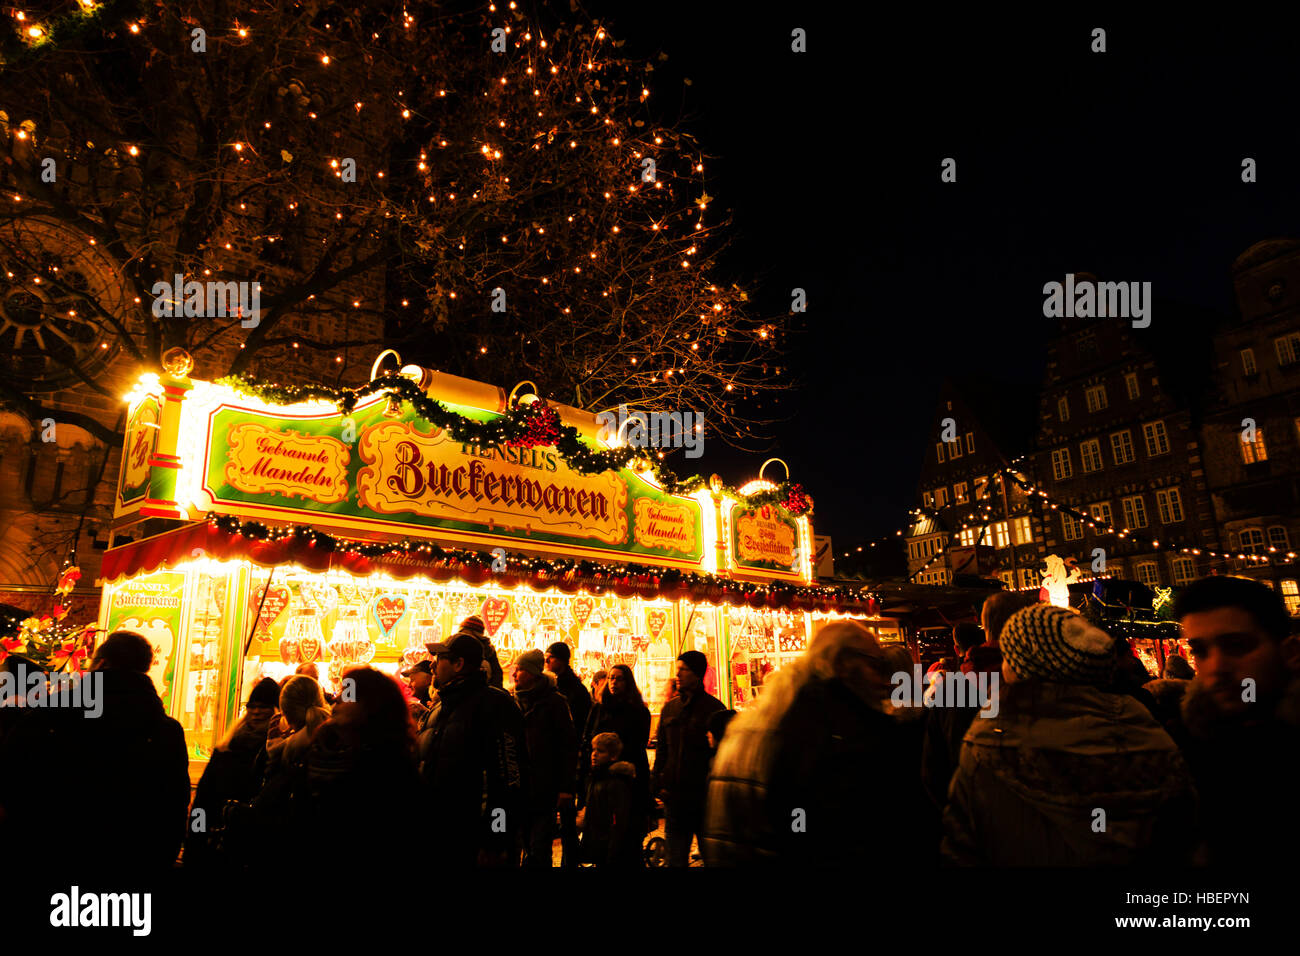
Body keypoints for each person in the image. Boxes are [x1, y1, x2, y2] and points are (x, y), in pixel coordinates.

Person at [941, 604, 1197, 866]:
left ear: (1018, 667)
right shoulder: (1142, 723)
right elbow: (1185, 832)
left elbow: (961, 846)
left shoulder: (988, 741)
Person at [703, 621, 923, 865]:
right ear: (843, 664)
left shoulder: (765, 719)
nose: (884, 680)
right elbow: (805, 821)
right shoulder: (827, 728)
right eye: (876, 665)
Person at [0, 631, 190, 873]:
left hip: (52, 855)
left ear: (101, 663)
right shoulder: (167, 731)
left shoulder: (51, 715)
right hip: (133, 861)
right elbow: (174, 804)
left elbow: (12, 779)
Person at [1169, 576, 1300, 867]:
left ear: (1290, 652)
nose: (1217, 667)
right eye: (1200, 651)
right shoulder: (1187, 747)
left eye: (1237, 646)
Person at [416, 633, 527, 867]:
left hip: (472, 836)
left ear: (458, 664)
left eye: (440, 658)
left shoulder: (494, 704)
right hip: (439, 832)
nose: (433, 665)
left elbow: (506, 780)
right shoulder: (440, 707)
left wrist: (496, 839)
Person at [293, 667, 420, 870]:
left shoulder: (390, 768)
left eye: (349, 693)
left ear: (372, 705)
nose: (338, 700)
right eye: (342, 692)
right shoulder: (318, 748)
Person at [185, 676, 279, 869]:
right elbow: (204, 798)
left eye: (263, 706)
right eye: (252, 706)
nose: (256, 712)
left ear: (275, 710)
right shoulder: (228, 746)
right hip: (215, 841)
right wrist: (196, 838)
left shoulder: (276, 750)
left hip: (249, 846)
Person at [654, 650, 726, 866]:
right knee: (675, 858)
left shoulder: (714, 709)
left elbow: (721, 754)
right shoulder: (670, 708)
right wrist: (658, 781)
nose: (678, 675)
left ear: (697, 673)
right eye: (677, 670)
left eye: (683, 670)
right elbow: (663, 751)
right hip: (675, 797)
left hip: (704, 797)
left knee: (713, 857)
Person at [512, 649, 577, 868]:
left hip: (544, 786)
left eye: (519, 669)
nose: (514, 674)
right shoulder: (514, 702)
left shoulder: (554, 702)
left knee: (539, 847)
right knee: (524, 844)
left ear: (531, 673)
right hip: (519, 788)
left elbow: (567, 746)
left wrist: (566, 787)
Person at [581, 663, 652, 823]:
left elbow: (638, 744)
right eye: (611, 678)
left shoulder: (638, 711)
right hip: (599, 775)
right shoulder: (598, 709)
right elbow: (587, 738)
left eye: (619, 679)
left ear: (628, 683)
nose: (614, 682)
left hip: (627, 775)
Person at [546, 640, 591, 863]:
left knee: (568, 821)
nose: (547, 661)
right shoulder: (552, 687)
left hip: (570, 763)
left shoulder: (575, 691)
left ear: (561, 660)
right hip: (555, 763)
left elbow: (579, 730)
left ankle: (570, 860)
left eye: (551, 657)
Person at [578, 732, 643, 868]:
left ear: (613, 756)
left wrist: (613, 847)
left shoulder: (615, 782)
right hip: (598, 840)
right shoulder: (595, 777)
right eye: (593, 750)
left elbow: (618, 818)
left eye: (600, 751)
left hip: (608, 843)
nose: (594, 754)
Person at [458, 615, 504, 689]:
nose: (463, 637)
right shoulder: (457, 647)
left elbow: (497, 676)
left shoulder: (489, 651)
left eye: (465, 633)